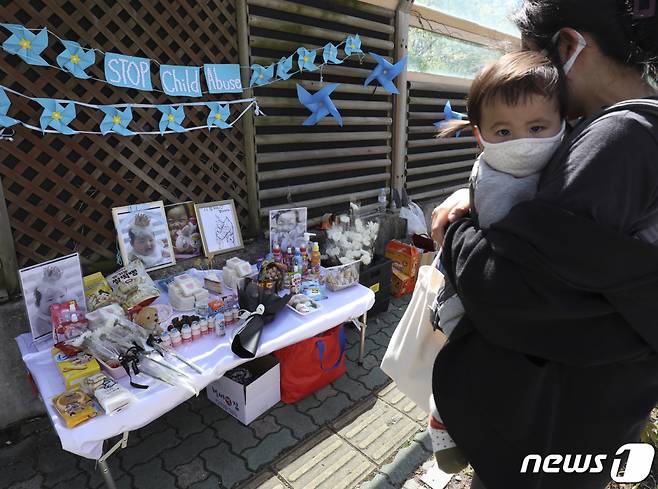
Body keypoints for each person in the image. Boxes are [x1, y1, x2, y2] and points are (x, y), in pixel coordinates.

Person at [430, 1, 658, 488]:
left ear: (570, 46)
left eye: (540, 62)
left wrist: (454, 235)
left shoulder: (620, 135)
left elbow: (509, 291)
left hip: (550, 422)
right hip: (597, 413)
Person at [428, 50, 567, 475]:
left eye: (537, 128)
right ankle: (443, 422)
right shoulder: (490, 173)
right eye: (503, 131)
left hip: (509, 297)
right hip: (473, 287)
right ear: (480, 136)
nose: (521, 142)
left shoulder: (570, 166)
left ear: (565, 124)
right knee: (464, 354)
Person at [33, 265, 67, 338]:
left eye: (61, 296)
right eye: (50, 299)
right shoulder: (41, 321)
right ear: (38, 303)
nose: (57, 301)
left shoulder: (66, 309)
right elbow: (50, 335)